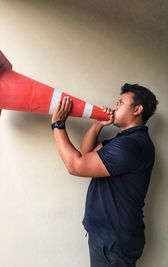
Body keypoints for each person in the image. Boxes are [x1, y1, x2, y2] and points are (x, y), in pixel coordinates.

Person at [51, 83, 158, 267]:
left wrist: (57, 125)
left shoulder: (130, 146)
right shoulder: (124, 141)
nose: (115, 106)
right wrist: (98, 124)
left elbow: (75, 165)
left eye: (121, 103)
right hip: (108, 239)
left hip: (113, 244)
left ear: (137, 109)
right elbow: (86, 155)